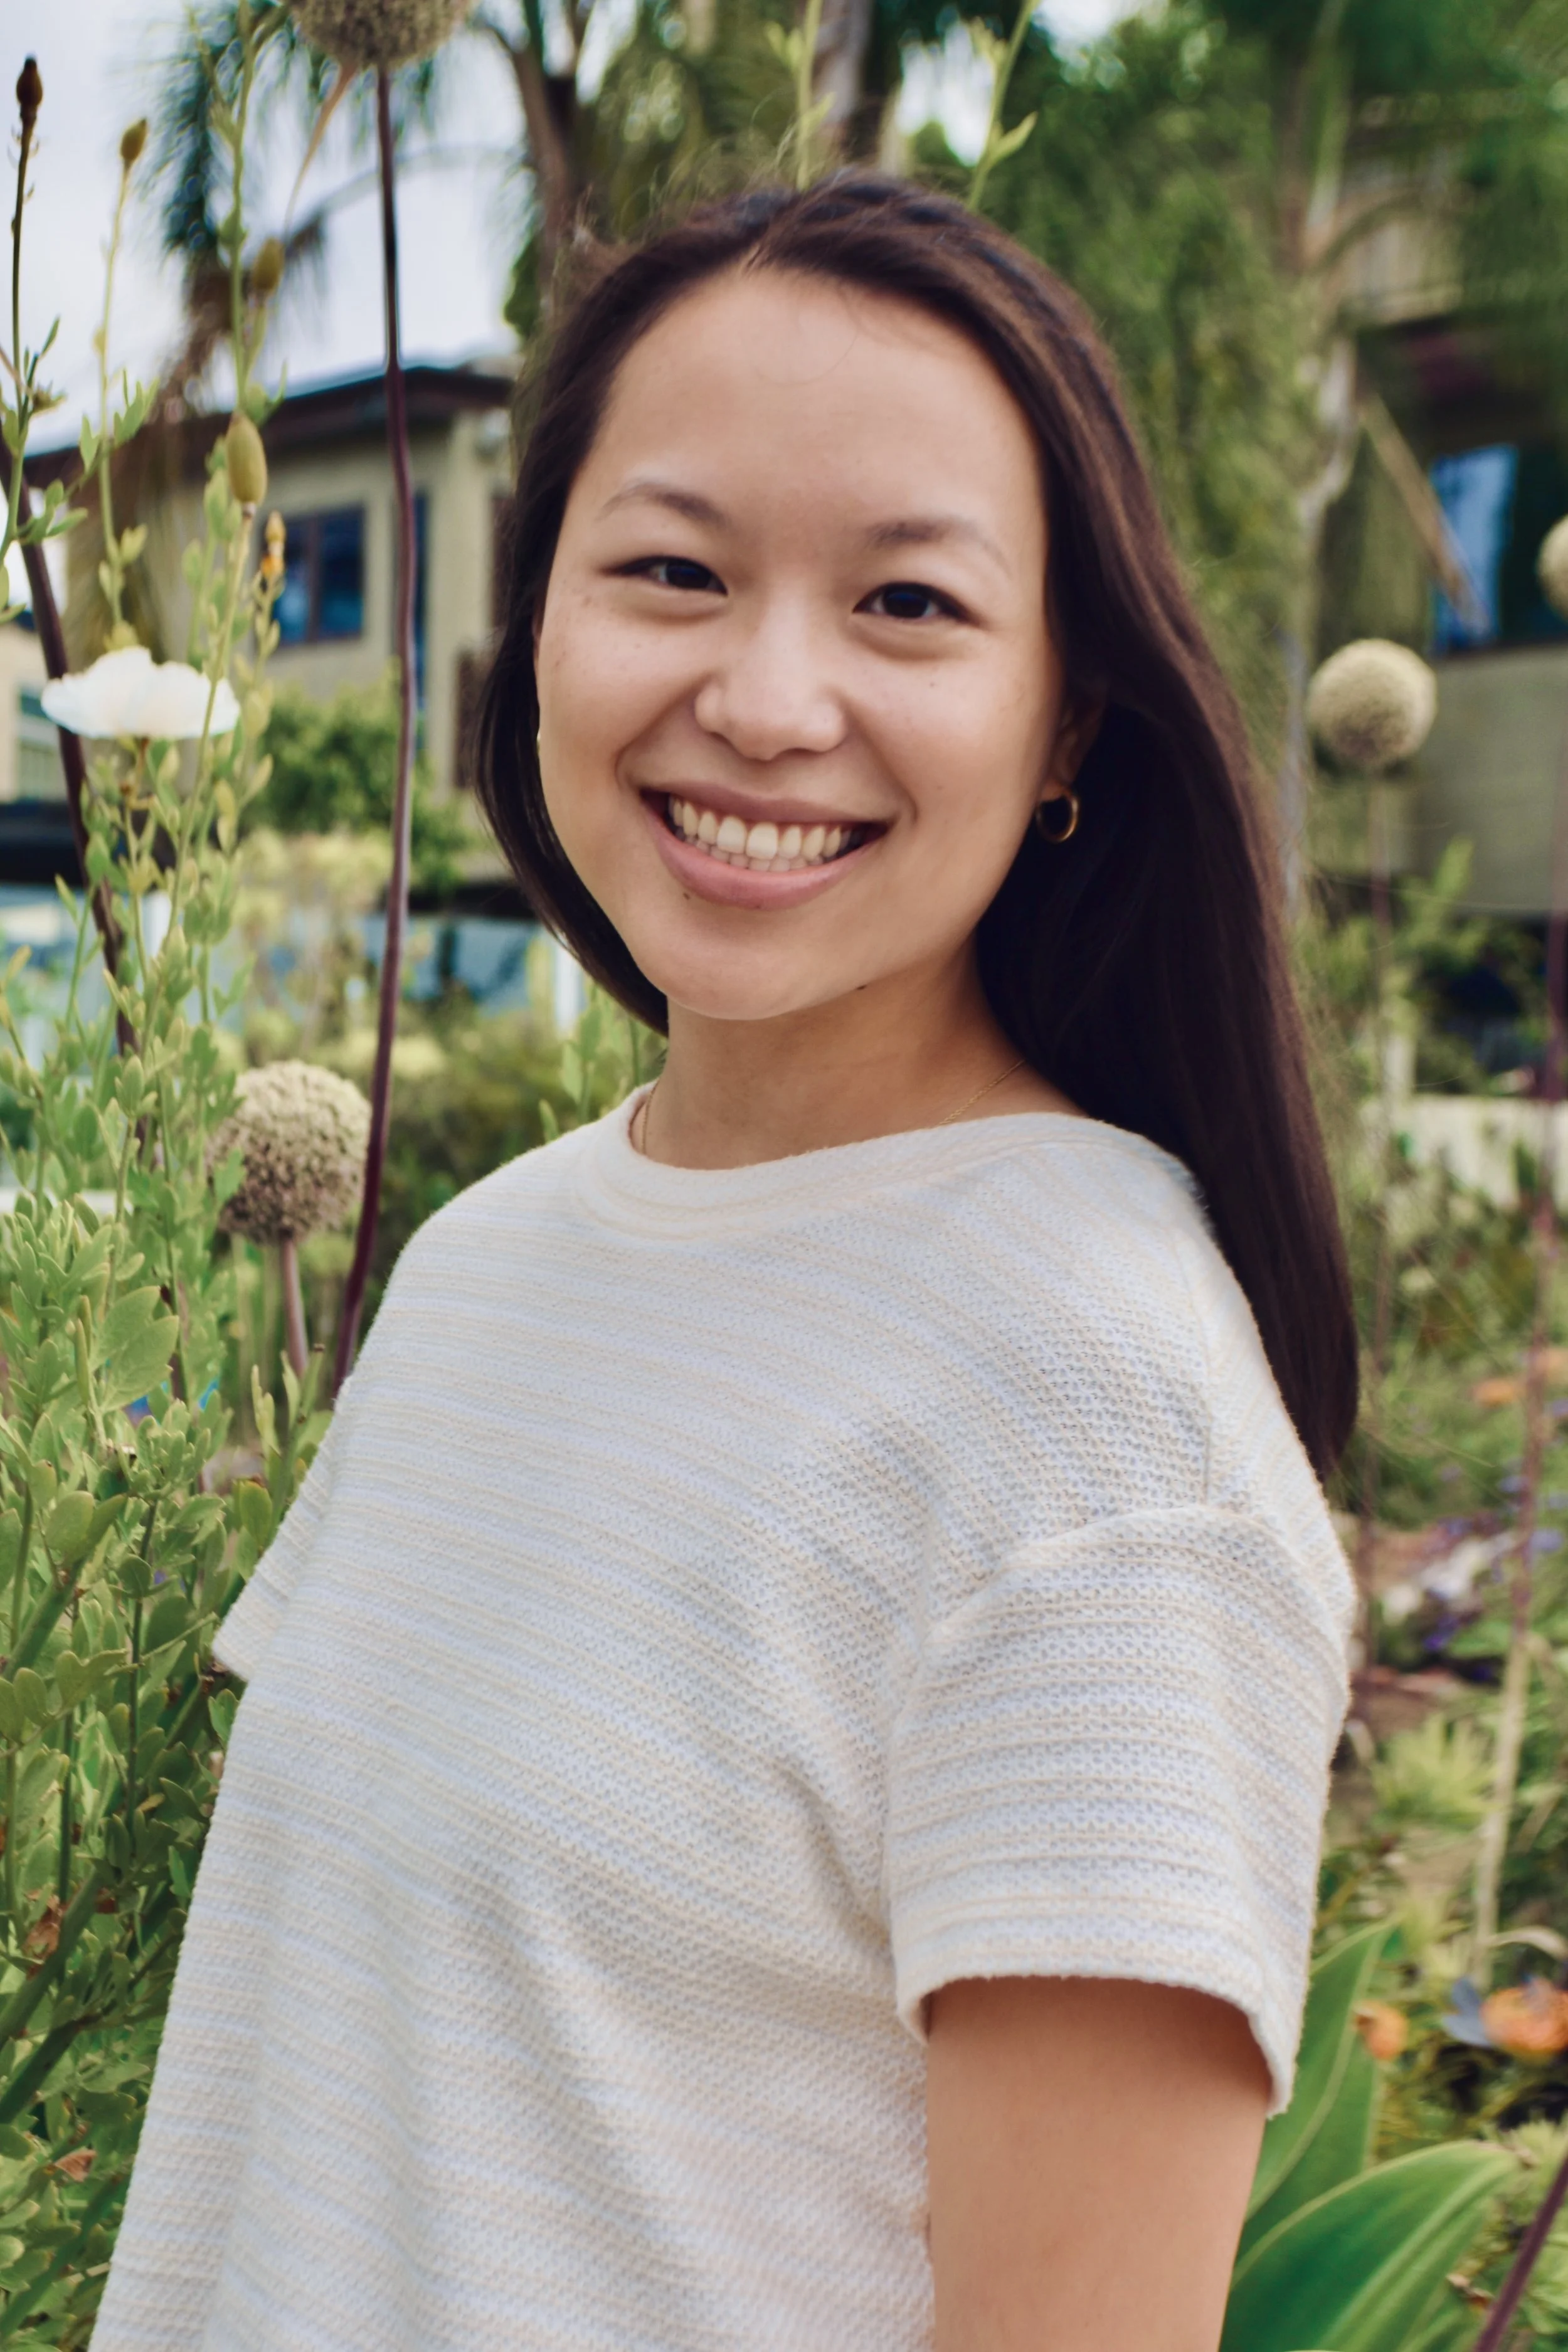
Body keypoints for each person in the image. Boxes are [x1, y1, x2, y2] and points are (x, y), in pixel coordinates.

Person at [95, 174, 1356, 2351]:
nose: (767, 701)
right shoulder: (488, 1266)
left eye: (908, 605)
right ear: (537, 633)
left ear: (1066, 722)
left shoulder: (1092, 1419)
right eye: (670, 570)